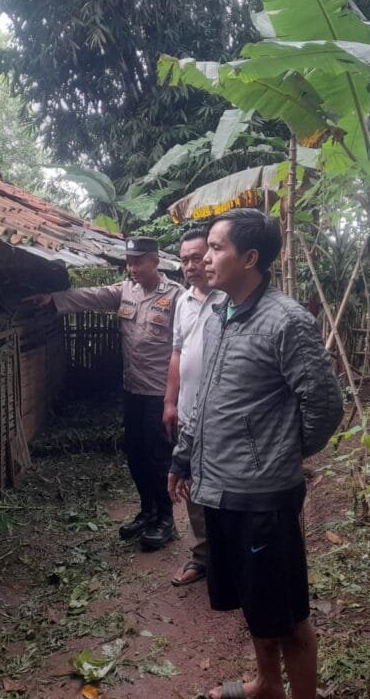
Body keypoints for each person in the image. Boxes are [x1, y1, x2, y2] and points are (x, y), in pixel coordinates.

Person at [168, 209, 344, 699]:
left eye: (217, 248)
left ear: (249, 258)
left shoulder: (286, 321)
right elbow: (203, 397)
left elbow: (326, 406)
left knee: (287, 614)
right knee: (254, 603)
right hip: (221, 490)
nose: (205, 256)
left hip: (263, 498)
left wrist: (278, 452)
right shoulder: (219, 314)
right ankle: (267, 684)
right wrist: (183, 457)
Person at [25, 237, 184, 549]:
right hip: (133, 390)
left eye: (138, 261)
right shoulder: (125, 290)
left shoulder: (177, 297)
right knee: (135, 454)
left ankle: (166, 519)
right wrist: (53, 299)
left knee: (158, 457)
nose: (132, 267)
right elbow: (92, 297)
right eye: (129, 262)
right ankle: (146, 511)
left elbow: (186, 348)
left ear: (154, 261)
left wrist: (174, 399)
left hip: (161, 394)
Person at [163, 228, 227, 587]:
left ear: (211, 257)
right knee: (192, 486)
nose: (190, 265)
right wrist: (170, 401)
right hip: (188, 413)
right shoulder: (183, 301)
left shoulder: (230, 299)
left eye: (196, 257)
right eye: (184, 259)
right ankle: (202, 557)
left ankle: (228, 559)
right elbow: (177, 353)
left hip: (222, 416)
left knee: (223, 488)